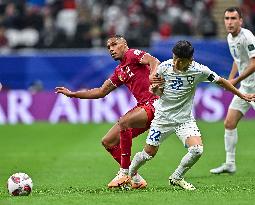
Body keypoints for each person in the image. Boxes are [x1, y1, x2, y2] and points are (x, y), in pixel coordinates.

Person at [119, 40, 255, 190]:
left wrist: (241, 94)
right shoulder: (164, 67)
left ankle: (176, 177)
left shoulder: (200, 71)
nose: (176, 63)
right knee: (148, 153)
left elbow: (222, 82)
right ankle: (130, 174)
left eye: (181, 61)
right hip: (162, 118)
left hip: (184, 120)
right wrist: (155, 88)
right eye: (175, 58)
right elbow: (156, 92)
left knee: (197, 150)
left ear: (190, 60)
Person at [55, 35, 161, 188]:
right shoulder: (120, 71)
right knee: (108, 141)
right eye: (108, 47)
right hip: (144, 107)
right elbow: (101, 91)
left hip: (155, 104)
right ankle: (136, 179)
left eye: (114, 44)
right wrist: (73, 94)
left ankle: (124, 172)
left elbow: (153, 61)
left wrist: (153, 74)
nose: (111, 49)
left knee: (124, 121)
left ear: (124, 44)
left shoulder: (132, 55)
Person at [210, 7, 255, 174]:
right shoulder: (230, 38)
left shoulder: (247, 37)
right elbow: (238, 60)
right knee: (229, 123)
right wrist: (230, 80)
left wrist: (236, 80)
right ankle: (230, 163)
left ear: (241, 21)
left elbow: (254, 63)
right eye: (227, 18)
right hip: (246, 88)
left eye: (233, 18)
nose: (229, 22)